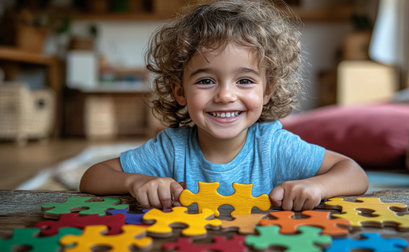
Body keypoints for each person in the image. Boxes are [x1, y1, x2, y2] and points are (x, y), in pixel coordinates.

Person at [80, 0, 369, 211]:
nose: (225, 95)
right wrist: (136, 182)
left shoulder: (273, 145)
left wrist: (316, 187)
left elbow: (353, 172)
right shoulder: (171, 148)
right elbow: (92, 178)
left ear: (267, 90)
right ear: (179, 91)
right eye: (206, 81)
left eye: (244, 81)